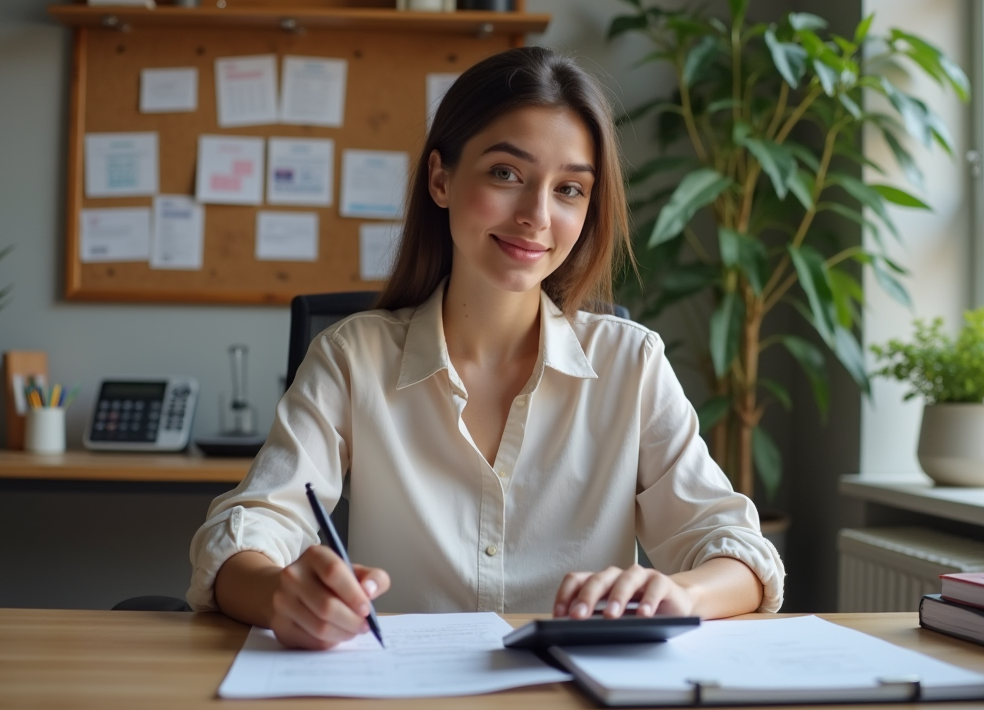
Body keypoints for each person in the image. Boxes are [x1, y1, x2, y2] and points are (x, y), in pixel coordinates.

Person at [187, 46, 785, 650]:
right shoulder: (352, 357)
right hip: (402, 698)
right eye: (506, 174)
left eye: (570, 190)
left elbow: (739, 553)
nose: (536, 215)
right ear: (441, 179)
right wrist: (280, 593)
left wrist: (681, 596)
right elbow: (248, 533)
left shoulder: (631, 365)